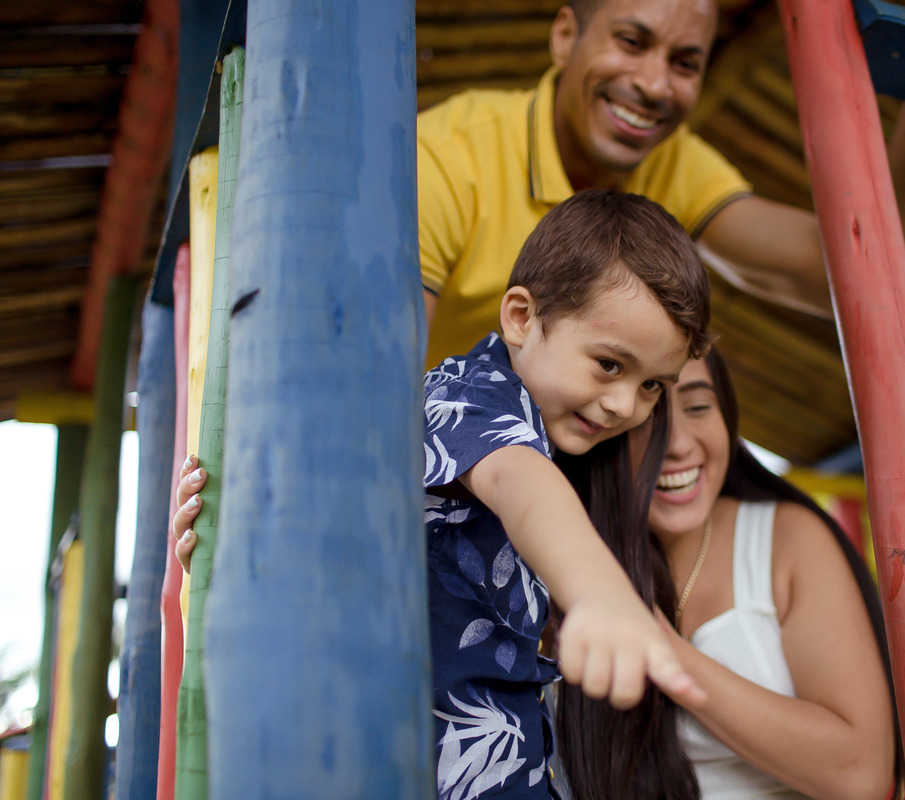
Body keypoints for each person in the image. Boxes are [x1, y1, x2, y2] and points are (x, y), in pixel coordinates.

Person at [175, 189, 713, 800]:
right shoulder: (472, 396)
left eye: (652, 386)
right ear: (521, 318)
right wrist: (598, 592)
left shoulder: (551, 438)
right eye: (610, 365)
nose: (624, 404)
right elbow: (520, 484)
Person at [418, 0, 905, 366]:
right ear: (564, 37)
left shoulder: (673, 164)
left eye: (685, 63)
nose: (654, 84)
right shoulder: (445, 157)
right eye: (631, 42)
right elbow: (376, 376)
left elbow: (849, 270)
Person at [557, 348, 900, 800]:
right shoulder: (552, 558)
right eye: (647, 415)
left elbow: (861, 774)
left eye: (699, 407)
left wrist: (664, 649)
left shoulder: (785, 538)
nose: (678, 444)